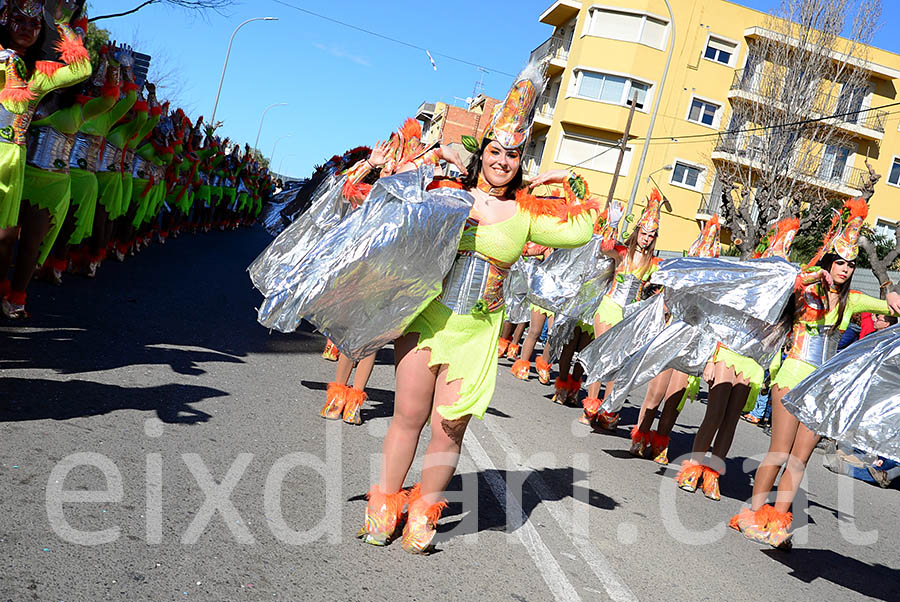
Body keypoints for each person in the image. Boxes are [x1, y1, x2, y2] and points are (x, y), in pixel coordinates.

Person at [357, 63, 599, 553]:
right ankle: (383, 506)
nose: (503, 161)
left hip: (477, 333)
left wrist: (565, 177)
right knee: (408, 415)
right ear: (482, 153)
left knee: (449, 426)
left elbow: (583, 229)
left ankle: (424, 512)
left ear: (520, 160)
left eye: (513, 154)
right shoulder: (450, 193)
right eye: (495, 151)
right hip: (426, 322)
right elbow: (389, 209)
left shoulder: (529, 212)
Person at [730, 198, 900, 549]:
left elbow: (889, 306)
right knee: (779, 450)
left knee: (800, 457)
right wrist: (812, 274)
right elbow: (785, 283)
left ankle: (777, 521)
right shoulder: (805, 289)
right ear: (828, 262)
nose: (845, 269)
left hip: (819, 388)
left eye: (851, 264)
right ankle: (753, 513)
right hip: (790, 379)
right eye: (840, 262)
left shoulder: (851, 300)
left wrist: (889, 290)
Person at [677, 217, 799, 500]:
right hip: (727, 352)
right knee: (714, 414)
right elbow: (720, 317)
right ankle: (693, 467)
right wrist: (710, 358)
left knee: (731, 420)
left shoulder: (784, 299)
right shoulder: (747, 284)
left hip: (751, 361)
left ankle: (712, 474)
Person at [321, 120, 430, 426]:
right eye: (387, 167)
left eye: (396, 167)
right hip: (360, 274)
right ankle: (336, 396)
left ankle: (355, 398)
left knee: (372, 339)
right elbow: (342, 187)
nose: (390, 170)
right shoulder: (368, 193)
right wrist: (370, 162)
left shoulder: (412, 204)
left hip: (390, 279)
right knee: (351, 336)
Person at [0, 0, 91, 317]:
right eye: (19, 21)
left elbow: (81, 69)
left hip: (13, 163)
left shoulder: (39, 76)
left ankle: (8, 295)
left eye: (34, 25)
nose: (26, 29)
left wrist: (63, 22)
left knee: (6, 238)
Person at [630, 215, 721, 464]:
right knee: (656, 394)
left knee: (674, 399)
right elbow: (663, 308)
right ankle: (640, 436)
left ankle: (660, 442)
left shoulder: (713, 294)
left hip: (692, 348)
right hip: (669, 339)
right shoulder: (677, 281)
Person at [580, 190, 662, 430]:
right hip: (608, 307)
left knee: (616, 363)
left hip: (628, 317)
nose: (646, 238)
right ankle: (590, 406)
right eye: (644, 233)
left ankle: (608, 409)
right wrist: (613, 224)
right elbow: (604, 249)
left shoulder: (653, 264)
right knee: (602, 355)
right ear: (637, 232)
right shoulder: (623, 252)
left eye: (651, 235)